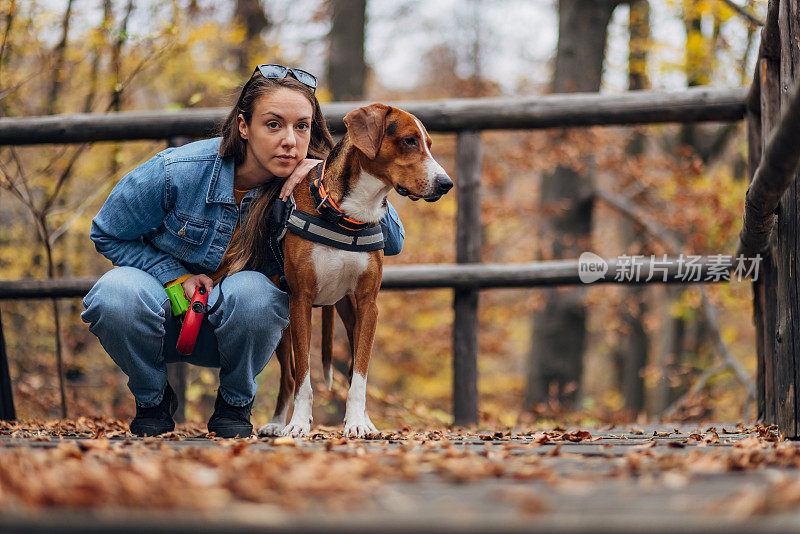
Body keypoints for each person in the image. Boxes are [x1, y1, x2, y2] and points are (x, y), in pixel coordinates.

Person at [81, 64, 405, 438]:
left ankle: (235, 403)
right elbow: (106, 233)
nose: (290, 141)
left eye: (302, 127)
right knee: (114, 293)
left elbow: (392, 241)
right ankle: (152, 399)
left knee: (256, 292)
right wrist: (174, 275)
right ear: (243, 126)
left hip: (241, 333)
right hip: (163, 320)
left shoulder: (313, 188)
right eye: (273, 124)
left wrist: (329, 175)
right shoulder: (176, 172)